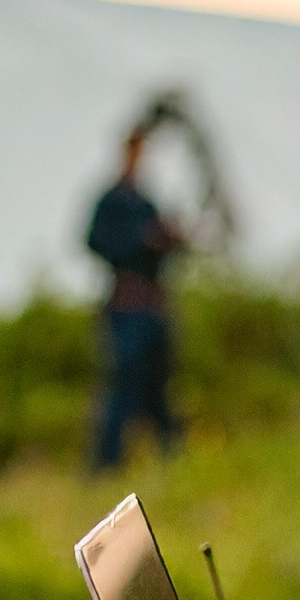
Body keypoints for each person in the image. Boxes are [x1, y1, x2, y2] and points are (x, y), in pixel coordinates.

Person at [85, 127, 184, 470]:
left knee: (158, 383)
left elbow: (164, 249)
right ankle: (106, 463)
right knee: (124, 382)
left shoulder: (147, 202)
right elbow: (95, 243)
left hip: (154, 305)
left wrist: (169, 239)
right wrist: (140, 240)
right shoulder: (111, 201)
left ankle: (171, 456)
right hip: (125, 307)